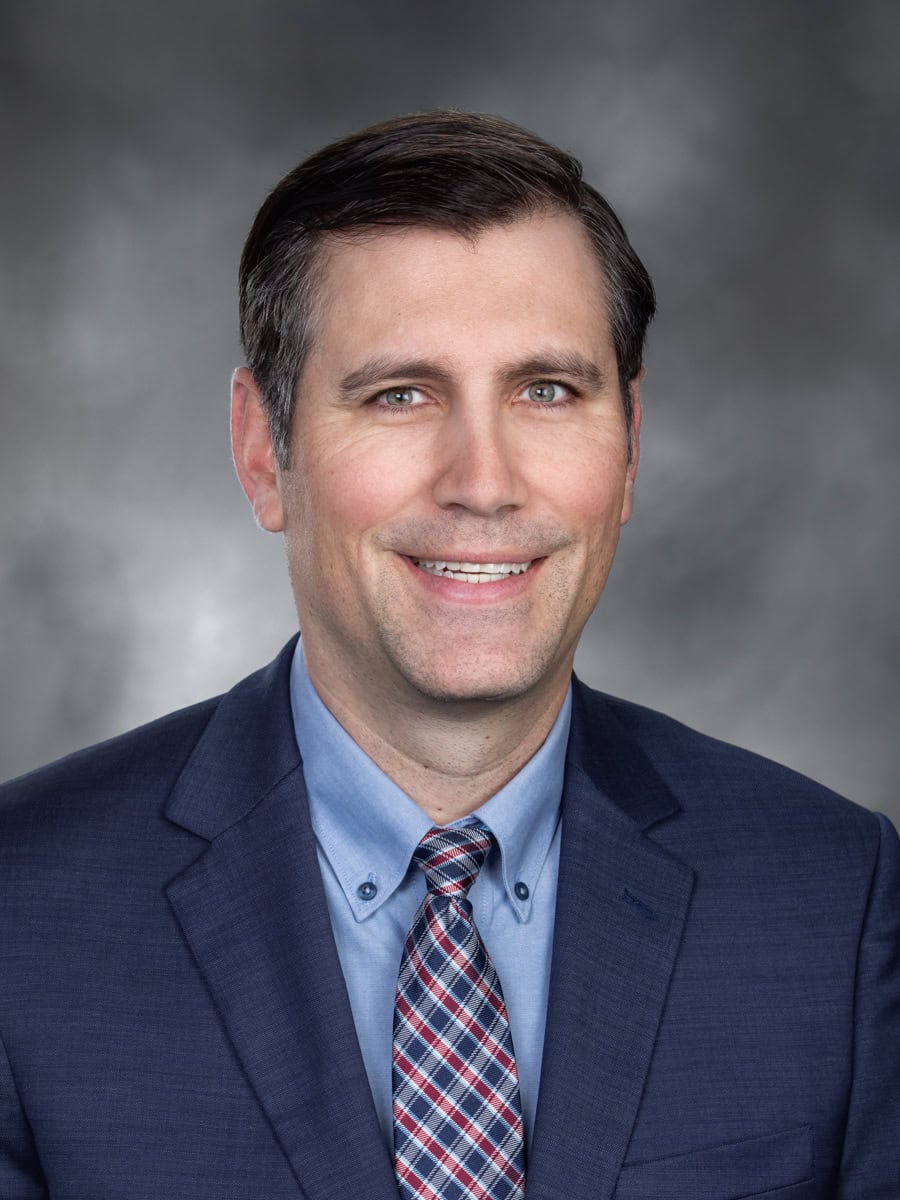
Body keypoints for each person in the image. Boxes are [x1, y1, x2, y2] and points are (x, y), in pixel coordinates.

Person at [0, 111, 897, 1200]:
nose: (483, 481)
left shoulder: (832, 897)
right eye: (401, 395)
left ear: (628, 450)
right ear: (263, 450)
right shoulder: (22, 913)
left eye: (547, 391)